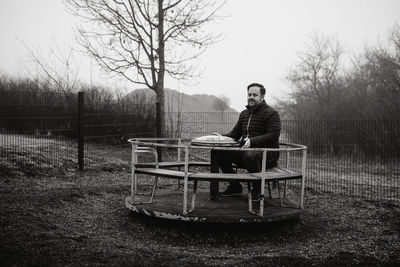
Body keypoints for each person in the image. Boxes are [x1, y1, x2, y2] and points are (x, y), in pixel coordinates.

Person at [217, 82, 281, 200]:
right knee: (218, 152)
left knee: (249, 155)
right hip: (247, 153)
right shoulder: (244, 114)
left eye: (254, 95)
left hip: (268, 155)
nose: (251, 97)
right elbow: (235, 133)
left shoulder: (271, 113)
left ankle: (257, 190)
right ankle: (235, 186)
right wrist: (219, 137)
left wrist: (252, 141)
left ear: (262, 97)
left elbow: (273, 135)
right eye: (249, 94)